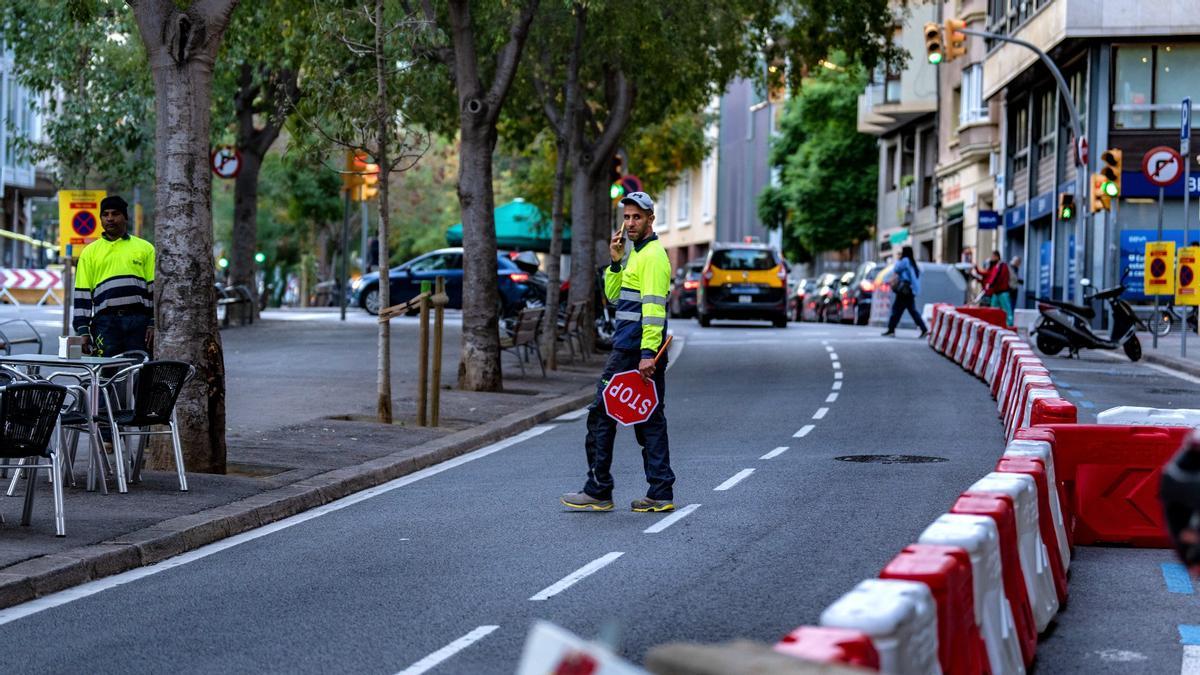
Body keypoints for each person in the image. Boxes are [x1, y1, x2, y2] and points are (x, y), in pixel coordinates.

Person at [561, 191, 676, 513]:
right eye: (626, 217)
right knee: (649, 420)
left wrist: (648, 354)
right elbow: (614, 299)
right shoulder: (635, 253)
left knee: (601, 415)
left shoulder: (653, 256)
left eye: (636, 217)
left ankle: (598, 490)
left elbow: (654, 311)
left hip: (634, 352)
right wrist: (614, 261)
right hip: (632, 349)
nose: (630, 223)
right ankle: (660, 491)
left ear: (651, 219)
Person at [73, 195, 156, 357]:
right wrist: (82, 330)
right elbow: (82, 295)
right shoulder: (89, 252)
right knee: (106, 374)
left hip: (139, 322)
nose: (110, 218)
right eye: (105, 214)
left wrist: (153, 323)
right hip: (105, 324)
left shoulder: (145, 248)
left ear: (125, 217)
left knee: (139, 370)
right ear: (101, 219)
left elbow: (155, 291)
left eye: (115, 213)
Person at [882, 245, 928, 338]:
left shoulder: (905, 260)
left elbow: (896, 269)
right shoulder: (912, 262)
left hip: (904, 291)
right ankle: (923, 329)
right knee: (910, 311)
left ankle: (891, 329)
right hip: (909, 290)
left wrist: (899, 259)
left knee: (897, 310)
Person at [975, 250, 1013, 325]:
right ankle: (994, 323)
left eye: (993, 256)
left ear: (997, 257)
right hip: (996, 291)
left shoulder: (1001, 266)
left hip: (1002, 291)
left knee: (1006, 309)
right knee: (994, 308)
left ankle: (1009, 324)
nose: (991, 258)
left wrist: (991, 284)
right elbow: (989, 276)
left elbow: (997, 277)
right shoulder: (995, 266)